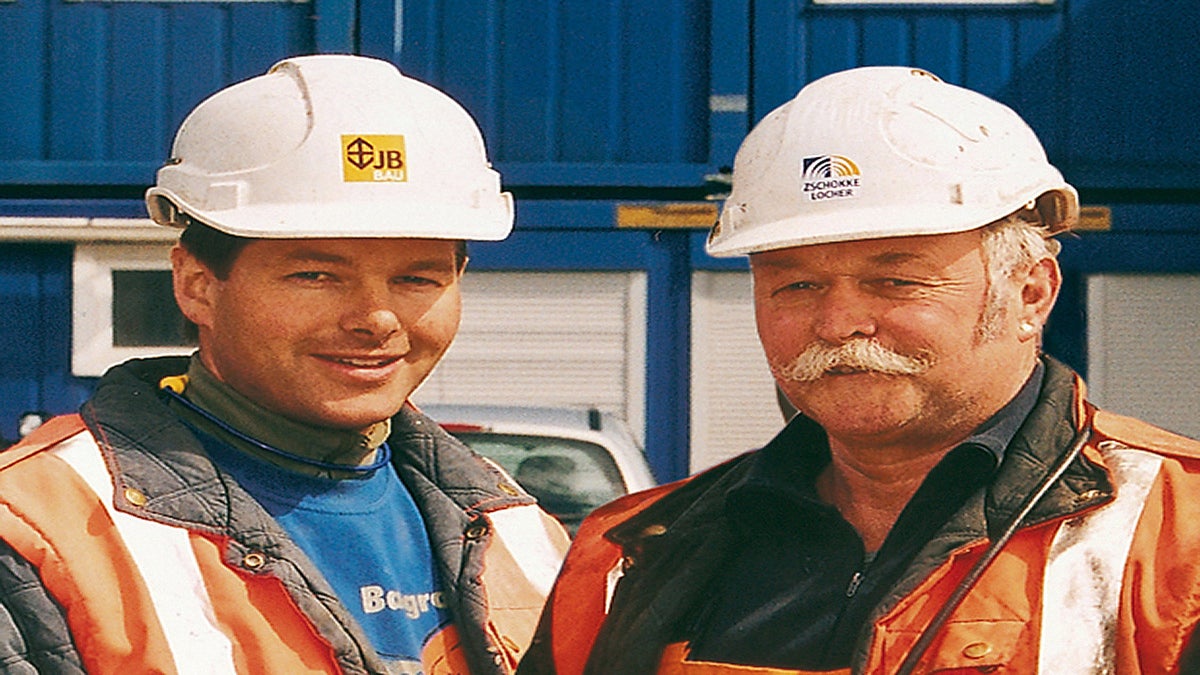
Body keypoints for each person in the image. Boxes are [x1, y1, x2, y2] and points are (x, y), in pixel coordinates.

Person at [518, 67, 1200, 674]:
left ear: (1031, 292)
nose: (839, 322)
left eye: (897, 280)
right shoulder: (627, 554)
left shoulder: (1180, 538)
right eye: (796, 286)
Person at [0, 54, 569, 674]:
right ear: (196, 285)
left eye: (416, 278)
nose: (376, 319)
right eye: (316, 275)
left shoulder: (518, 530)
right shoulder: (32, 529)